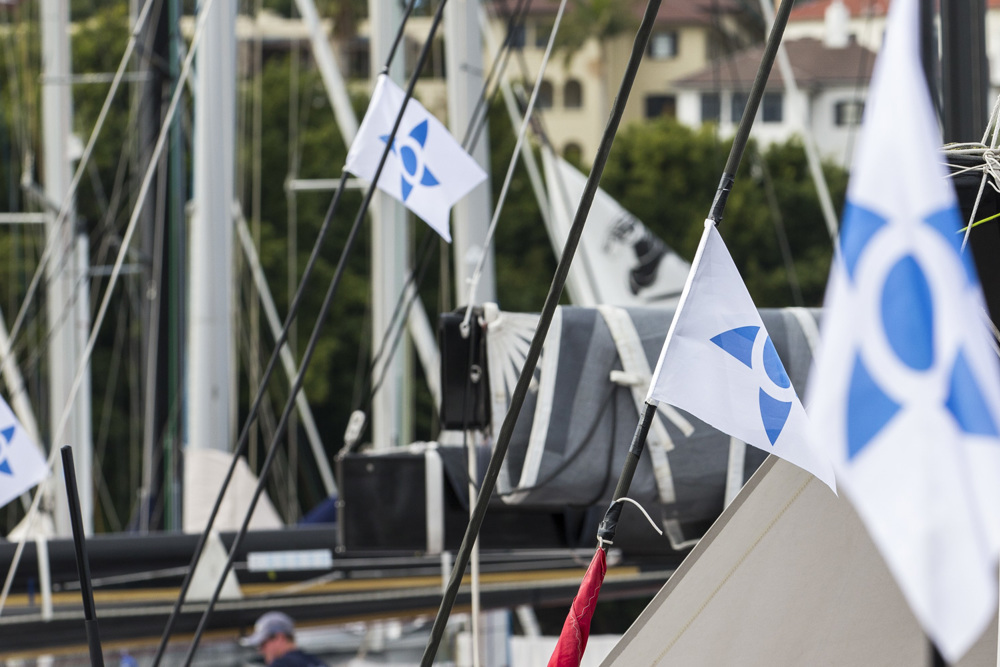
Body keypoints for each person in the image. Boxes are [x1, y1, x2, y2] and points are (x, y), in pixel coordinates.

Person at [240, 611, 328, 666]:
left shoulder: (282, 664)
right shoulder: (316, 661)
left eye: (262, 644)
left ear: (279, 637)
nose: (261, 650)